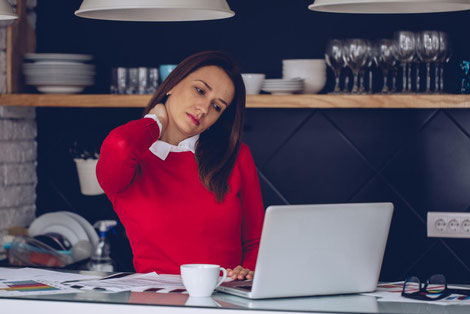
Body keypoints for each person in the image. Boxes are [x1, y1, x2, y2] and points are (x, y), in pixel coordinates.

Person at [97, 51, 265, 280]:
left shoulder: (236, 157)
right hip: (158, 303)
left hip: (226, 301)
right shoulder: (131, 162)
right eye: (200, 90)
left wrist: (249, 273)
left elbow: (256, 241)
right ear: (173, 84)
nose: (204, 109)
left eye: (217, 106)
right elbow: (120, 144)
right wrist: (156, 121)